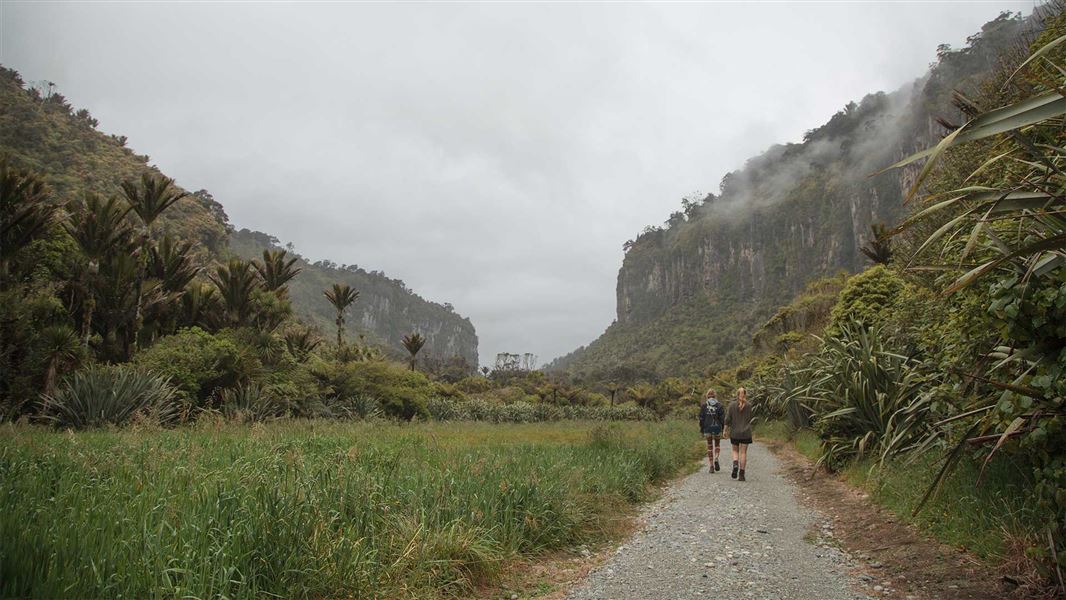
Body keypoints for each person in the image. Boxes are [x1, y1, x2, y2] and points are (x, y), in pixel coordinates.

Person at [724, 386, 753, 481]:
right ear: (745, 394)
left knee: (735, 451)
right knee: (743, 453)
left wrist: (725, 430)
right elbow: (751, 418)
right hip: (746, 432)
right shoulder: (749, 405)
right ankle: (742, 474)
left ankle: (735, 464)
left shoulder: (732, 405)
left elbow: (727, 419)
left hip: (735, 432)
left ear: (737, 395)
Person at [698, 389, 724, 473]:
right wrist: (723, 429)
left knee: (709, 446)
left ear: (707, 396)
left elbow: (701, 419)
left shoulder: (704, 406)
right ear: (715, 396)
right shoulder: (719, 405)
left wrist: (702, 429)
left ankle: (711, 466)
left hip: (707, 427)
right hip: (717, 427)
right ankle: (716, 458)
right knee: (717, 444)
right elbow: (722, 419)